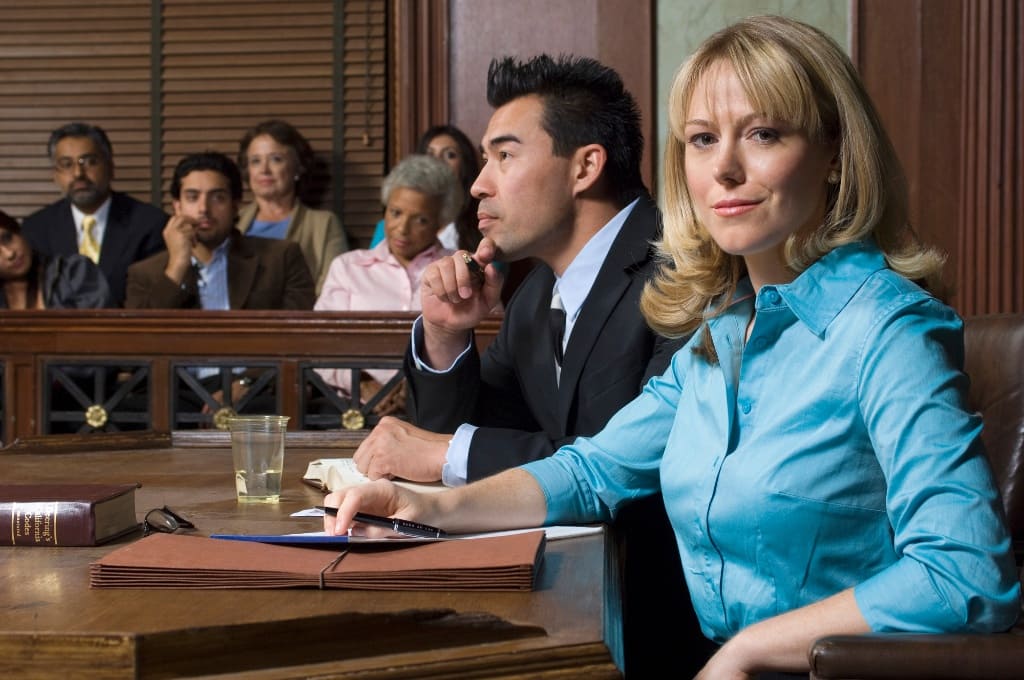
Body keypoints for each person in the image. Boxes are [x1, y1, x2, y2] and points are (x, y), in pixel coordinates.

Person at [323, 16, 1022, 679]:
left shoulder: (888, 328)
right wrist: (422, 507)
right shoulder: (723, 326)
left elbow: (966, 575)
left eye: (764, 134)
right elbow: (592, 473)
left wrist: (752, 649)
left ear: (835, 154)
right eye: (702, 139)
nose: (725, 170)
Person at [350, 54, 692, 676]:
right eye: (485, 159)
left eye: (504, 156)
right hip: (553, 591)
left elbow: (633, 469)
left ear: (585, 165)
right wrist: (448, 337)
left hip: (664, 623)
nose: (479, 184)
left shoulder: (681, 274)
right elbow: (467, 432)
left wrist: (446, 454)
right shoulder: (535, 292)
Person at [314, 153, 460, 407]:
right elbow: (319, 345)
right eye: (395, 213)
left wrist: (420, 387)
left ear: (441, 222)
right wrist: (363, 384)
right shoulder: (348, 268)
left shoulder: (459, 269)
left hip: (438, 409)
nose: (402, 229)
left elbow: (488, 343)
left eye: (420, 220)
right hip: (352, 411)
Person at [125, 151, 315, 312]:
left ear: (235, 206)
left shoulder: (282, 258)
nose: (203, 209)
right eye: (192, 197)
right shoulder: (144, 274)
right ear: (178, 207)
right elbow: (141, 340)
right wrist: (177, 265)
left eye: (217, 198)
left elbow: (299, 338)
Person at [21, 122, 168, 306]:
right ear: (55, 175)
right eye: (66, 164)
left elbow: (155, 299)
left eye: (89, 161)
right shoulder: (36, 229)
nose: (78, 173)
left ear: (110, 166)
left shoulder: (149, 224)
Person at [236, 119, 349, 294]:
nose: (264, 170)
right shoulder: (232, 222)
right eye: (255, 161)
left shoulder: (324, 224)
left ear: (298, 168)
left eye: (276, 159)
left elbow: (333, 293)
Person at [370, 124, 482, 253]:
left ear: (465, 165)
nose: (438, 160)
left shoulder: (481, 226)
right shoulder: (387, 227)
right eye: (430, 154)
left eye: (450, 155)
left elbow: (491, 271)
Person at [0, 209, 113, 309]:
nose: (9, 254)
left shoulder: (74, 272)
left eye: (7, 238)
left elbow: (97, 327)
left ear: (20, 233)